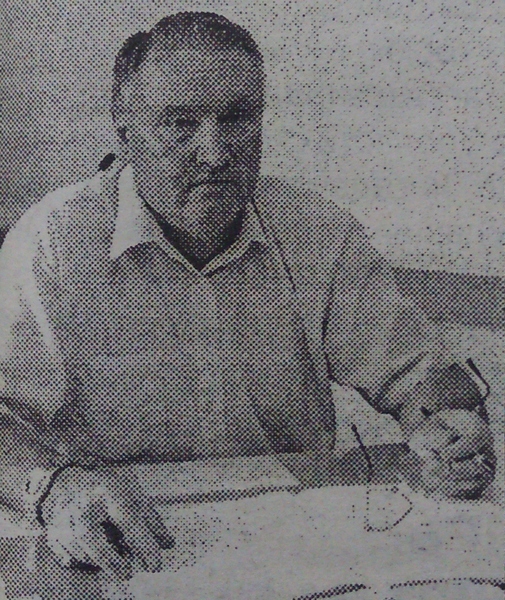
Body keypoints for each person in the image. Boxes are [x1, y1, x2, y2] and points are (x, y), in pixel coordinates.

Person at [0, 11, 495, 582]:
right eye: (180, 124)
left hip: (293, 543)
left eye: (237, 119)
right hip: (118, 541)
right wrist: (58, 489)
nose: (215, 153)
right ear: (124, 128)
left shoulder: (318, 231)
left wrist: (451, 429)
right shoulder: (55, 241)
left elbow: (425, 379)